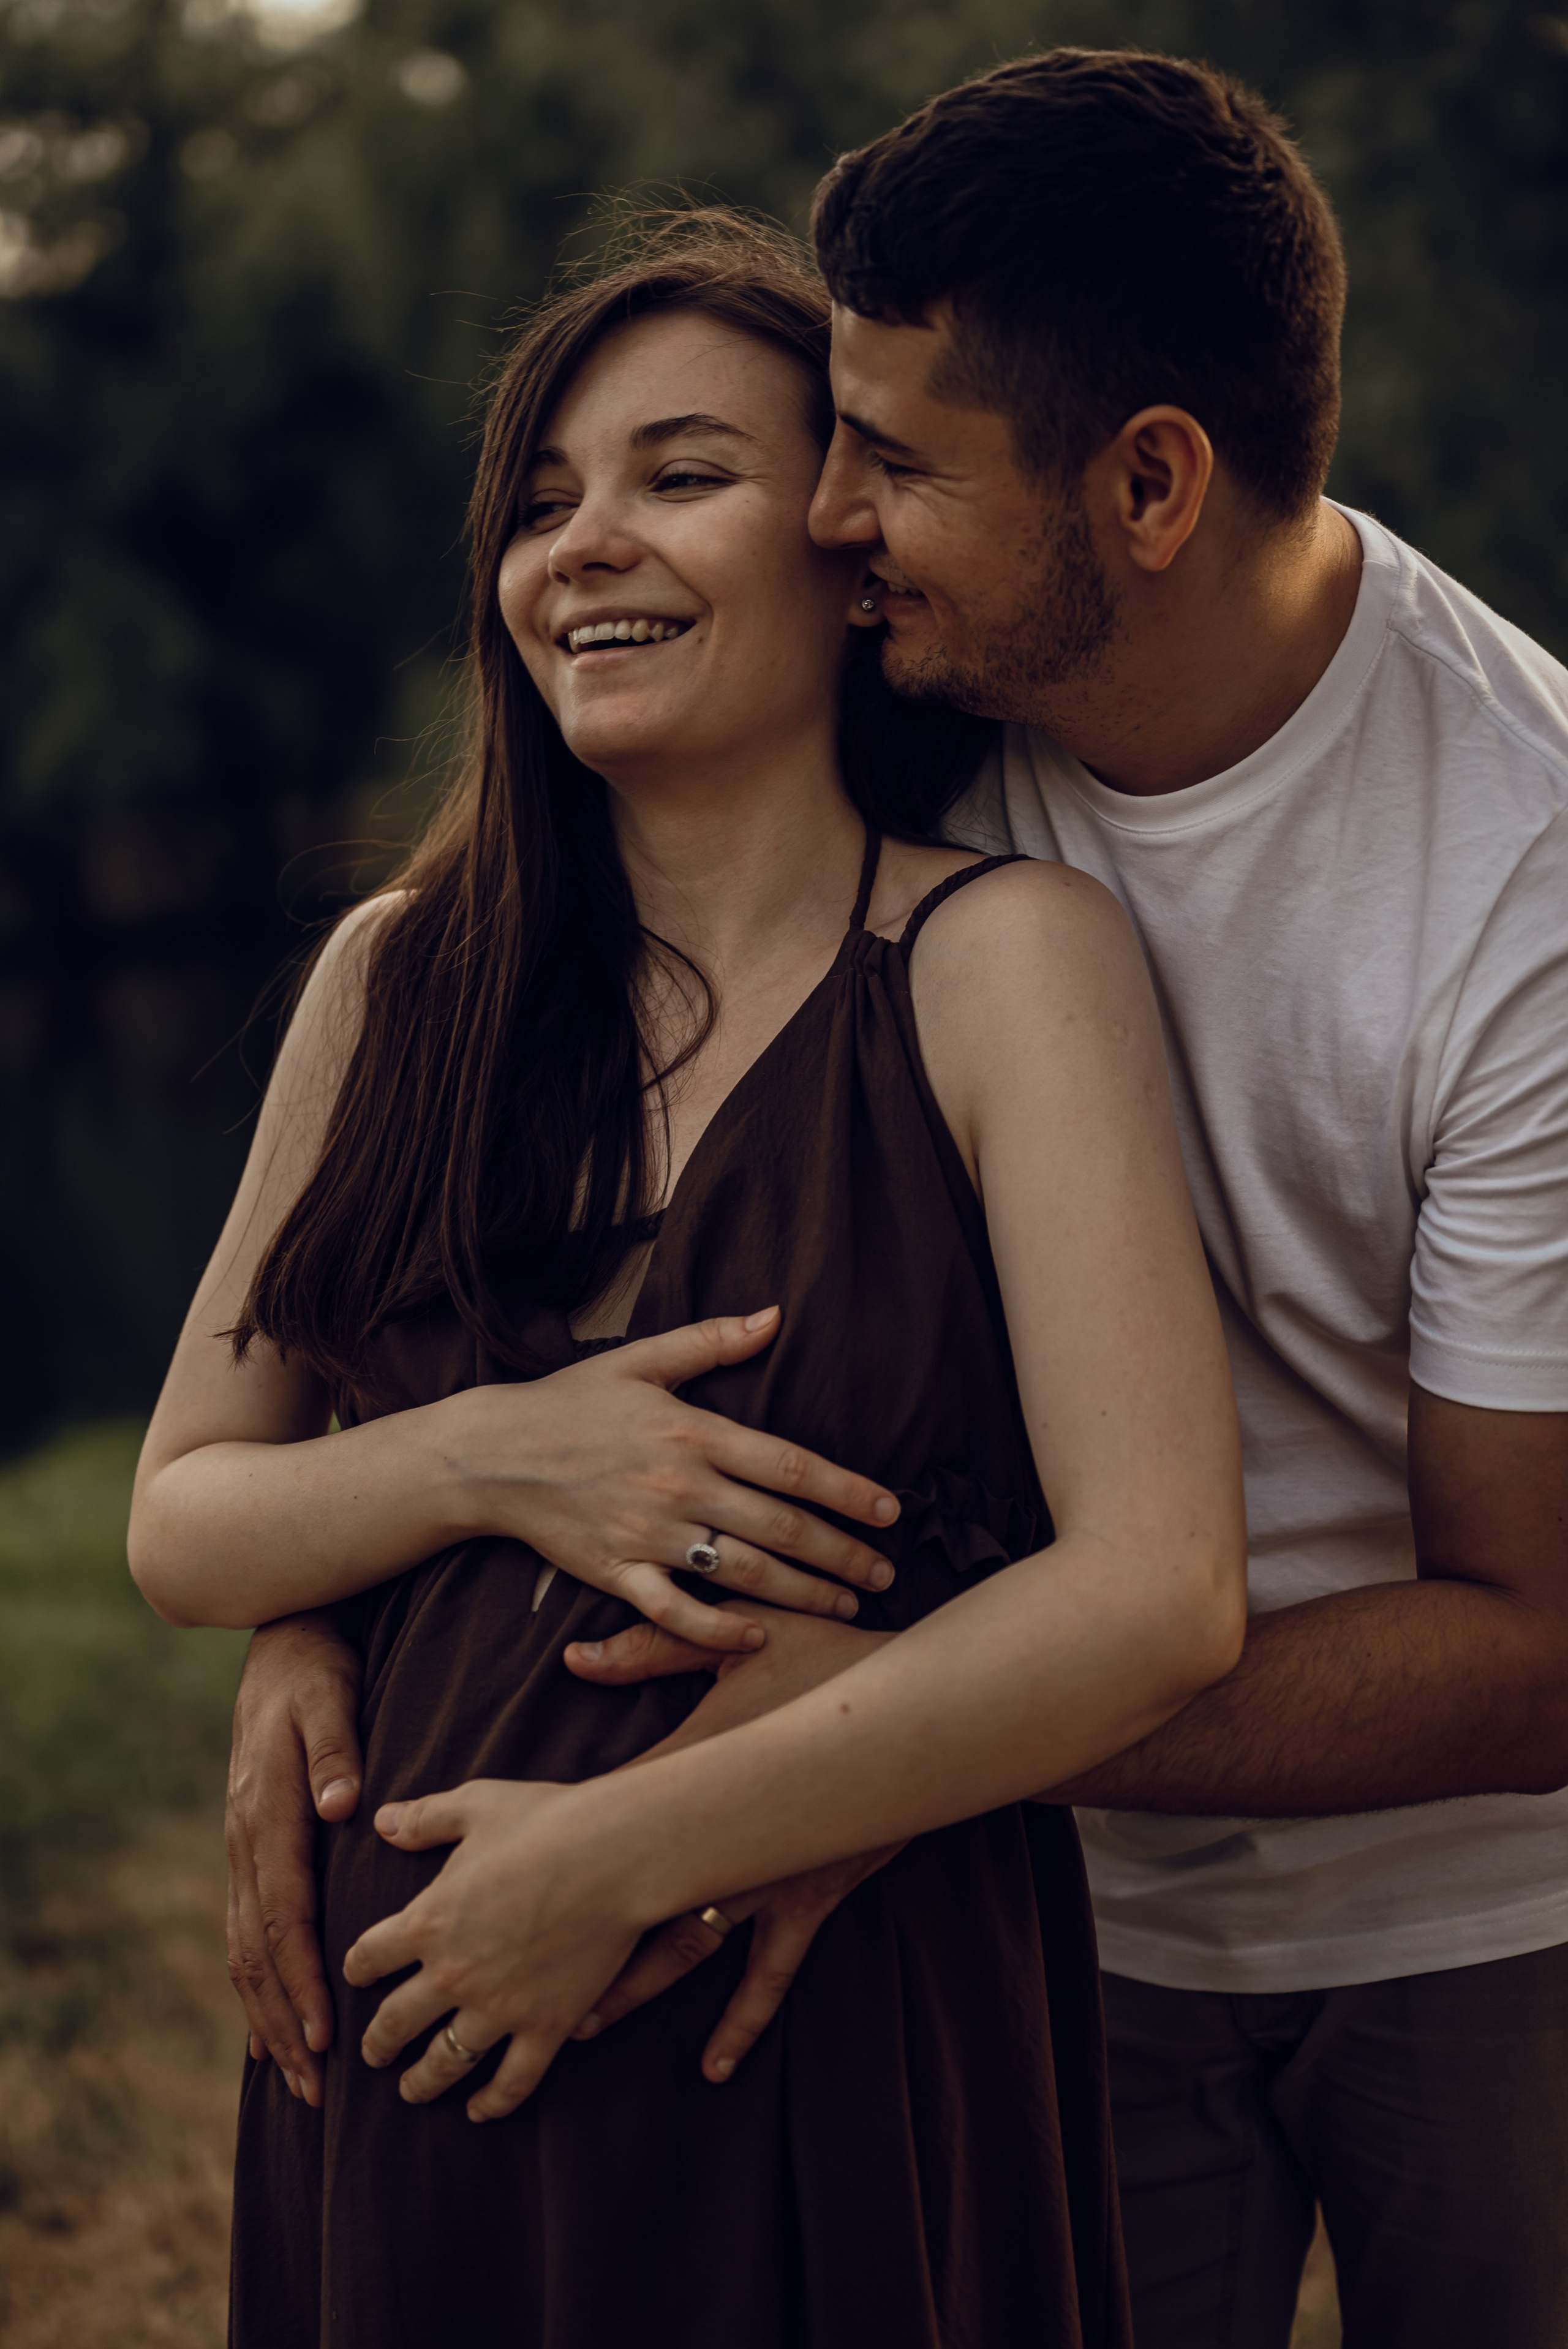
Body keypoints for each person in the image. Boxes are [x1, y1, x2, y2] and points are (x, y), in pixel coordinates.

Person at [220, 48, 1568, 2347]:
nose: (835, 518)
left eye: (895, 466)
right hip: (1017, 1895)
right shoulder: (923, 709)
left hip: (1466, 1919)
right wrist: (331, 1601)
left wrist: (831, 1739)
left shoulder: (1517, 876)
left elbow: (1540, 1637)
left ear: (1150, 487)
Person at [129, 214, 1246, 2345]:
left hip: (833, 2035)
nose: (586, 547)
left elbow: (1160, 1585)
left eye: (679, 475)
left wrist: (626, 1854)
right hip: (414, 2072)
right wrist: (492, 1456)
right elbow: (185, 1512)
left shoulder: (1005, 962)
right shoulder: (397, 978)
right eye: (542, 504)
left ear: (849, 546)